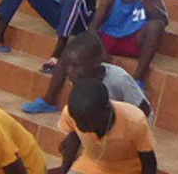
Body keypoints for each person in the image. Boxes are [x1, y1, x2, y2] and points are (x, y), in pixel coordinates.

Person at [21, 32, 152, 116]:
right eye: (69, 65)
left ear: (96, 62)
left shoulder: (119, 80)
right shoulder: (80, 80)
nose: (70, 71)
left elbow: (144, 111)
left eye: (77, 66)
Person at [88, 0, 169, 85]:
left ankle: (138, 79)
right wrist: (100, 50)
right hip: (110, 40)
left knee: (156, 25)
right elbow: (93, 27)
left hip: (134, 41)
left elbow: (164, 19)